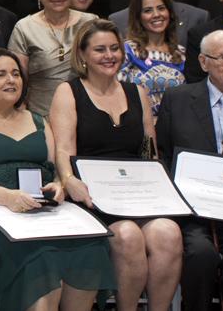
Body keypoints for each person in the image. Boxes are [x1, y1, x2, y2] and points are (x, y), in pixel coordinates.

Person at [0, 48, 115, 310]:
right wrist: (7, 197)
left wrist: (59, 184)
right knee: (41, 258)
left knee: (91, 249)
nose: (11, 80)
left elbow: (57, 167)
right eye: (0, 75)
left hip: (43, 213)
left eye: (15, 74)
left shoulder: (38, 120)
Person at [49, 20, 181, 311]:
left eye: (114, 48)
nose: (109, 55)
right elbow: (63, 149)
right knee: (127, 235)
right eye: (100, 49)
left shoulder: (138, 93)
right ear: (82, 55)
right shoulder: (68, 92)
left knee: (169, 232)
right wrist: (69, 179)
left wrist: (157, 184)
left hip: (138, 197)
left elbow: (149, 151)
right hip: (93, 198)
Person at [157, 30, 223, 311]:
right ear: (203, 62)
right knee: (200, 255)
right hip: (192, 213)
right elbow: (162, 155)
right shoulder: (178, 99)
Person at [8, 0, 98, 116]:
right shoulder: (24, 28)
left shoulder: (91, 23)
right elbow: (17, 81)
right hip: (38, 117)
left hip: (85, 114)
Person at [117, 0, 185, 116]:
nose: (156, 15)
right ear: (138, 17)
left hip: (174, 128)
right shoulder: (127, 50)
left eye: (161, 8)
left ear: (169, 12)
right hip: (136, 126)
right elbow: (115, 92)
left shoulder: (181, 54)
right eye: (148, 10)